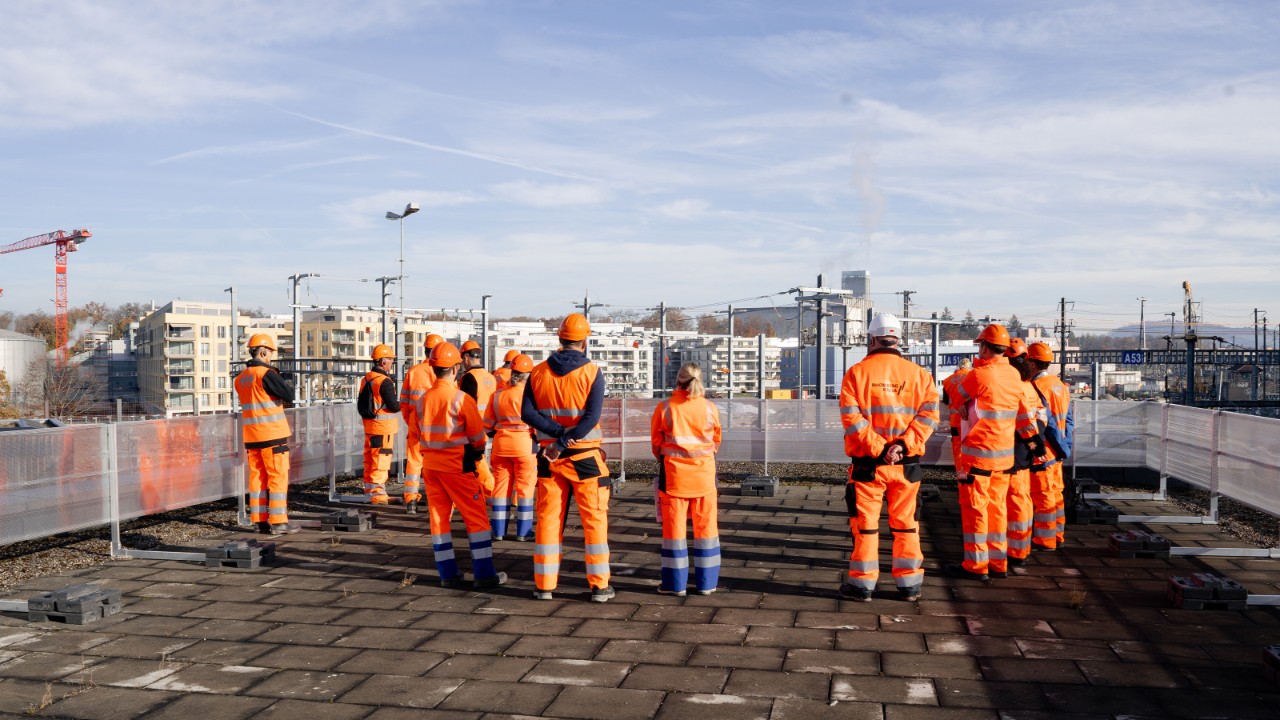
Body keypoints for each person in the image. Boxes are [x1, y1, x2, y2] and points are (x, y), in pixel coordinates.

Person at [837, 314, 939, 601]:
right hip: (906, 466)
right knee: (906, 524)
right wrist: (902, 446)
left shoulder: (857, 373)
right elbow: (929, 417)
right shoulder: (920, 375)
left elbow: (852, 420)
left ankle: (862, 586)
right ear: (897, 340)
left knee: (866, 526)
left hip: (869, 465)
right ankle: (909, 585)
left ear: (872, 339)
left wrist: (881, 449)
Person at [521, 313, 614, 603]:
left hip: (549, 458)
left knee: (548, 520)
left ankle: (544, 585)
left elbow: (527, 413)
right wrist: (564, 439)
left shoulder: (538, 372)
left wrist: (556, 438)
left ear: (560, 338)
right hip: (584, 457)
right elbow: (591, 418)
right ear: (584, 341)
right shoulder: (592, 372)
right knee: (593, 520)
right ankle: (599, 587)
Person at [949, 324, 1044, 581]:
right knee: (998, 510)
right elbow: (1024, 414)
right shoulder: (1014, 375)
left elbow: (955, 397)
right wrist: (1034, 439)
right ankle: (998, 562)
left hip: (978, 457)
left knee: (976, 511)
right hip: (1004, 459)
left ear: (984, 347)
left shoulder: (978, 376)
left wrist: (964, 391)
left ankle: (976, 566)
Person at [418, 342, 506, 589]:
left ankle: (447, 574)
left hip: (431, 467)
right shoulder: (461, 399)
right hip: (458, 466)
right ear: (456, 368)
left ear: (433, 368)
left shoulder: (424, 400)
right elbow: (478, 437)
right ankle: (484, 574)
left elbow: (417, 431)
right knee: (476, 519)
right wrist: (476, 452)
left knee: (438, 519)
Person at [651, 363, 723, 596]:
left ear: (678, 381)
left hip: (674, 479)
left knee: (674, 532)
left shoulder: (665, 408)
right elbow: (716, 441)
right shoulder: (710, 408)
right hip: (704, 478)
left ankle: (675, 585)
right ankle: (707, 584)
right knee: (707, 531)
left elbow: (656, 444)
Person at [234, 333, 297, 536]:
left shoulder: (240, 379)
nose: (271, 357)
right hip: (273, 435)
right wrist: (277, 376)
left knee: (257, 479)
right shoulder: (266, 374)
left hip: (252, 438)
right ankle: (279, 522)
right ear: (262, 352)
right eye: (270, 353)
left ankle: (259, 521)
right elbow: (288, 395)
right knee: (277, 477)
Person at [1026, 342, 1074, 551]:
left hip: (1044, 451)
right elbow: (1068, 420)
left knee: (1043, 495)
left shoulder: (1037, 387)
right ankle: (1058, 535)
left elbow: (1048, 423)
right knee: (1056, 495)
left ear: (1033, 363)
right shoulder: (1060, 385)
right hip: (1057, 452)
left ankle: (1045, 541)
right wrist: (1065, 447)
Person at [484, 354, 537, 541]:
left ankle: (498, 531)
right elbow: (538, 426)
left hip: (500, 446)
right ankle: (524, 532)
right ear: (528, 375)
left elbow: (487, 425)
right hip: (525, 446)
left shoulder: (497, 395)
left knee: (500, 489)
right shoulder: (532, 397)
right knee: (525, 489)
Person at [1003, 338, 1045, 568]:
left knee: (1014, 501)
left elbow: (1019, 418)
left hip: (1014, 449)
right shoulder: (1030, 386)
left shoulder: (1014, 385)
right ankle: (1021, 548)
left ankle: (1016, 551)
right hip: (1026, 449)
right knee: (1023, 499)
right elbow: (1041, 416)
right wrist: (1036, 441)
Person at [400, 333, 444, 514]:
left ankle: (411, 500)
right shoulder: (443, 372)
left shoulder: (413, 372)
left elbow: (404, 402)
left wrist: (410, 420)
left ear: (425, 350)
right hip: (438, 426)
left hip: (415, 423)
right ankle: (438, 500)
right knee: (438, 462)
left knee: (414, 462)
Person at [357, 344, 400, 505]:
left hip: (370, 427)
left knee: (370, 459)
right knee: (381, 460)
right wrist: (404, 404)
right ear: (383, 361)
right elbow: (393, 406)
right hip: (383, 429)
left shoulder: (366, 379)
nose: (391, 363)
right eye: (390, 360)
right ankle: (378, 495)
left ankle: (370, 491)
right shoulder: (385, 381)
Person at [459, 340, 497, 495]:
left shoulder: (469, 377)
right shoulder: (490, 377)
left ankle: (490, 490)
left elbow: (466, 407)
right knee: (480, 461)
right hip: (489, 427)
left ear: (466, 357)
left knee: (477, 462)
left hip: (474, 429)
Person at [941, 357, 973, 469]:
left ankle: (960, 471)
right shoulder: (974, 377)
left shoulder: (948, 380)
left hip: (955, 421)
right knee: (972, 446)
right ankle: (970, 471)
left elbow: (946, 401)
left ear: (958, 367)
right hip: (972, 420)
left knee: (957, 446)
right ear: (970, 367)